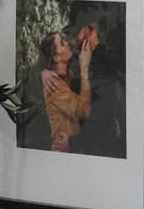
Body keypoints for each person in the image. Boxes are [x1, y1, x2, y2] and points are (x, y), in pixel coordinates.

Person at [38, 25, 100, 153]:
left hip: (75, 147)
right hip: (65, 150)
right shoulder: (54, 85)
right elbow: (83, 110)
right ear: (56, 57)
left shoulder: (67, 75)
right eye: (62, 43)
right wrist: (84, 68)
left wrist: (44, 71)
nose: (66, 43)